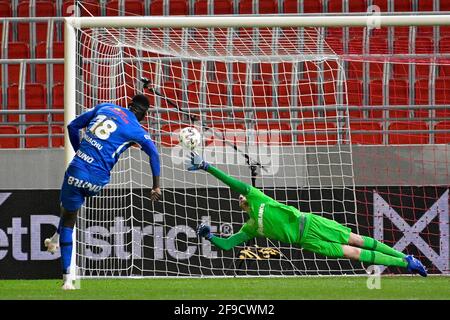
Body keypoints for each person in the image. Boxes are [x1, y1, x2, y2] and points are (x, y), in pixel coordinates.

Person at [188, 153, 427, 277]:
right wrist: (209, 236)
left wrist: (208, 167)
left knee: (356, 240)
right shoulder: (250, 227)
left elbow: (231, 183)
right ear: (241, 208)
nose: (240, 197)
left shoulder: (258, 197)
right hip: (307, 241)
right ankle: (405, 264)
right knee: (353, 254)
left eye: (241, 196)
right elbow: (228, 245)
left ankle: (405, 258)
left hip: (311, 222)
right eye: (239, 200)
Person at [44, 94, 162, 290]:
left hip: (77, 170)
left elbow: (72, 126)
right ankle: (54, 240)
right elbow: (154, 153)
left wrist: (79, 151)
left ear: (129, 104)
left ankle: (67, 280)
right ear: (144, 115)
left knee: (69, 217)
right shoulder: (136, 129)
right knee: (71, 208)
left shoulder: (104, 107)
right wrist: (156, 185)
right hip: (98, 181)